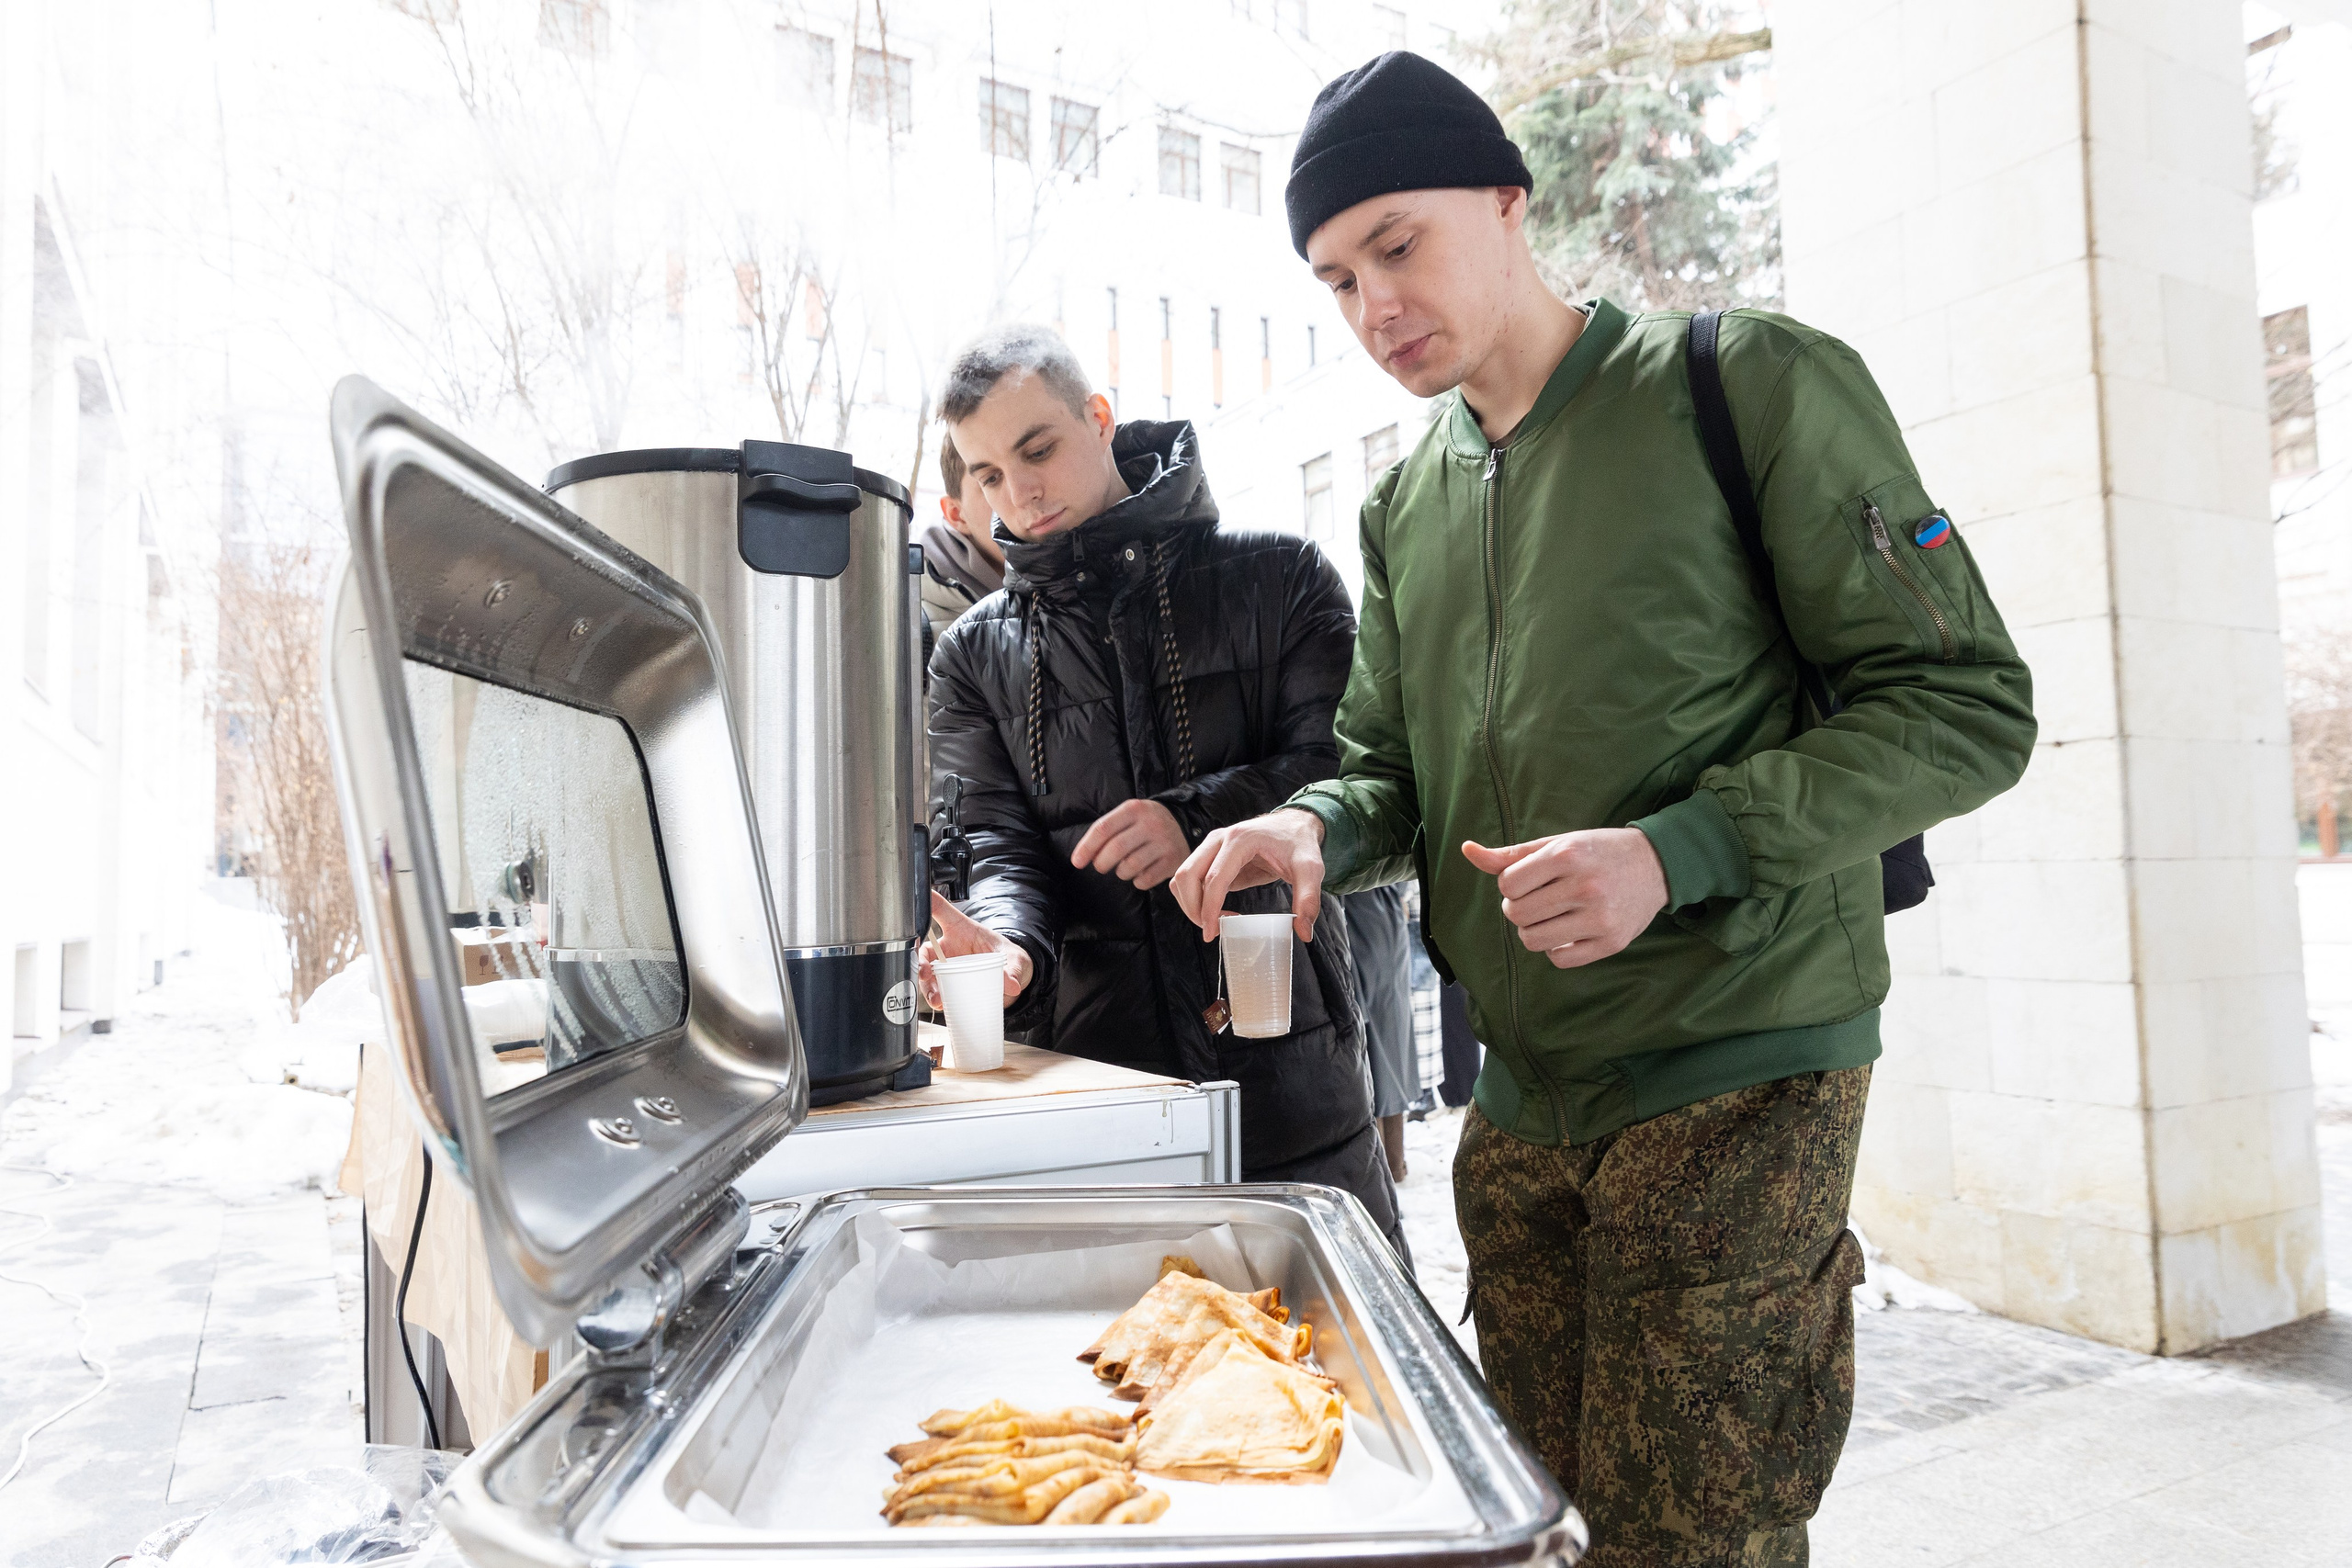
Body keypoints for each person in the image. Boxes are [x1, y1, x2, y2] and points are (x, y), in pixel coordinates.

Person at [1170, 51, 2035, 1567]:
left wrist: (1673, 853)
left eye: (1398, 244)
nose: (1374, 303)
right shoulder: (1405, 501)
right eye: (1334, 277)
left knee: (1698, 1537)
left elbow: (1967, 707)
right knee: (1536, 1519)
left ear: (1510, 201)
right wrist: (1319, 829)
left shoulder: (1745, 382)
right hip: (1524, 1099)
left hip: (1744, 1062)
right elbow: (1389, 763)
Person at [918, 321, 1407, 1259]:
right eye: (985, 474)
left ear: (1098, 419)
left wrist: (1195, 818)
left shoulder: (1280, 576)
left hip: (1289, 1068)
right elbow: (994, 843)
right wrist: (1012, 949)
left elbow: (1350, 772)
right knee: (1132, 1377)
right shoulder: (972, 655)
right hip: (1103, 1091)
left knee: (1337, 1374)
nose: (1016, 493)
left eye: (1037, 449)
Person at [919, 433, 1007, 637]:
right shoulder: (909, 632)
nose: (1020, 494)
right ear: (956, 514)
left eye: (1037, 454)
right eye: (991, 479)